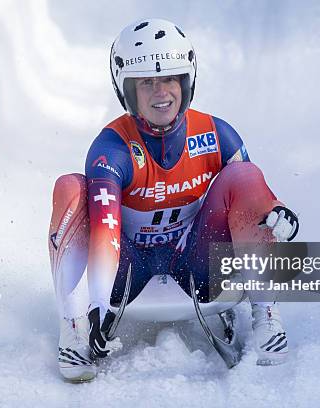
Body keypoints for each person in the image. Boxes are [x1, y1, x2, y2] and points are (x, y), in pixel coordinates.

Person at [48, 18, 299, 382]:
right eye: (146, 82)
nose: (160, 92)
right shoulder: (111, 149)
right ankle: (73, 329)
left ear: (187, 81)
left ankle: (267, 311)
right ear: (127, 90)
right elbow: (104, 228)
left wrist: (273, 211)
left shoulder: (216, 133)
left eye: (169, 78)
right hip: (127, 267)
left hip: (196, 262)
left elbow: (250, 195)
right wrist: (100, 302)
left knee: (242, 174)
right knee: (70, 188)